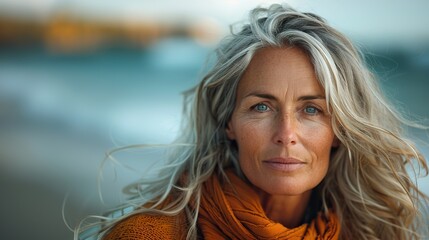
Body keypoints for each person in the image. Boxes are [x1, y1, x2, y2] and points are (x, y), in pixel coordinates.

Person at [77, 3, 429, 240]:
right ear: (229, 120)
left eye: (311, 110)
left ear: (339, 129)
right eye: (262, 107)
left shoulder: (365, 233)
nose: (286, 135)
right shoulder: (150, 233)